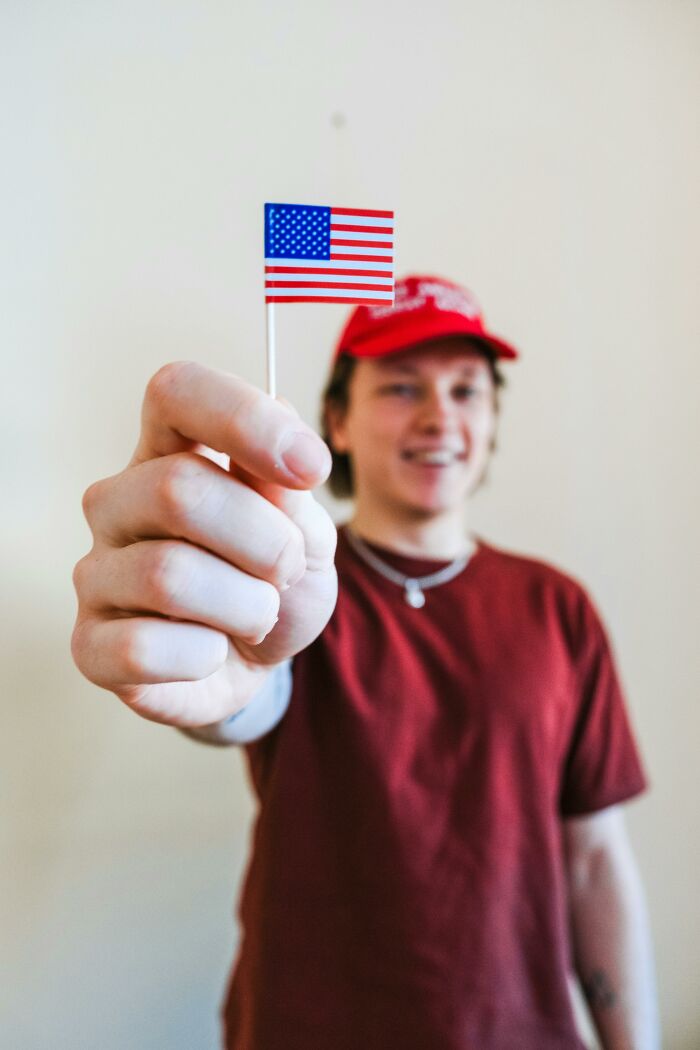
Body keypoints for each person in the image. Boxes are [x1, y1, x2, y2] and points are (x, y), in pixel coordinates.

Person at [71, 274, 659, 1049]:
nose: (438, 416)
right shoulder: (285, 578)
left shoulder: (557, 608)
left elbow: (593, 859)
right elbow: (249, 694)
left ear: (491, 419)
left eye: (465, 390)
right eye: (402, 387)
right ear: (338, 423)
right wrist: (200, 672)